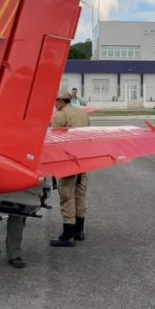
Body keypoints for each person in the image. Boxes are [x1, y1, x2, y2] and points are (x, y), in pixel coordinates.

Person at [50, 88, 90, 247]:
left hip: (67, 161)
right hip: (83, 160)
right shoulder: (83, 113)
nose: (54, 104)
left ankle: (68, 236)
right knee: (80, 195)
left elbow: (54, 139)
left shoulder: (60, 115)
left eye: (55, 101)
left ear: (60, 101)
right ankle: (79, 231)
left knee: (67, 196)